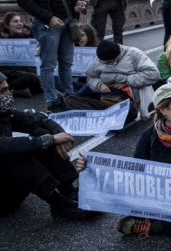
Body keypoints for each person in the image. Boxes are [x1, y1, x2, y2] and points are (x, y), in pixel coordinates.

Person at [75, 82, 171, 239]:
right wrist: (89, 167)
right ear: (164, 109)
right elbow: (136, 172)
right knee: (147, 204)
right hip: (164, 193)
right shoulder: (149, 135)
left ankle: (155, 226)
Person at [0, 72, 98, 220]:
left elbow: (40, 119)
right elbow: (4, 144)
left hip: (10, 190)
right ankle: (59, 204)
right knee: (14, 152)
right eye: (2, 91)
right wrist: (49, 140)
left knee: (41, 132)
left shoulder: (4, 114)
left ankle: (69, 191)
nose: (8, 94)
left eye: (7, 89)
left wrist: (60, 135)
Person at [16, 0, 88, 112]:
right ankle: (52, 101)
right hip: (47, 23)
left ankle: (69, 96)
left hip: (66, 19)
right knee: (48, 65)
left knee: (66, 62)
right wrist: (48, 18)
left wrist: (75, 1)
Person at [64, 40, 159, 122]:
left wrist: (127, 81)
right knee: (70, 100)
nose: (107, 64)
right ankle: (104, 117)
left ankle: (103, 117)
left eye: (109, 62)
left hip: (127, 102)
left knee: (129, 109)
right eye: (104, 62)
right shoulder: (99, 60)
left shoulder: (133, 54)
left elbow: (153, 74)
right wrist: (99, 85)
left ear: (117, 56)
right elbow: (90, 78)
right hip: (105, 100)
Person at [0, 13, 42, 98]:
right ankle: (15, 91)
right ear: (7, 25)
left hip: (24, 73)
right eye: (15, 21)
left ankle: (8, 91)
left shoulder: (31, 37)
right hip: (6, 73)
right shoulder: (1, 39)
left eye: (20, 21)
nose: (20, 23)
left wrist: (39, 49)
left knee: (31, 79)